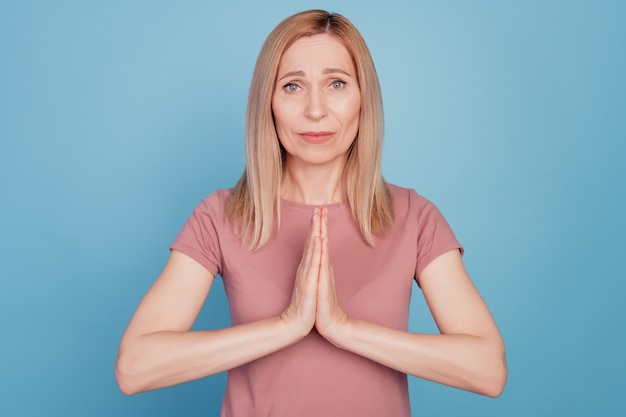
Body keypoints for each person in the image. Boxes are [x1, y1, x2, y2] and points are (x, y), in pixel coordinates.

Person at [115, 9, 507, 416]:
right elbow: (135, 368)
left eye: (336, 83)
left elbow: (487, 370)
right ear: (268, 102)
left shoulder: (415, 216)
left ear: (363, 98)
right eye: (292, 86)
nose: (315, 110)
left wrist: (343, 328)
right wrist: (288, 325)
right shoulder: (220, 216)